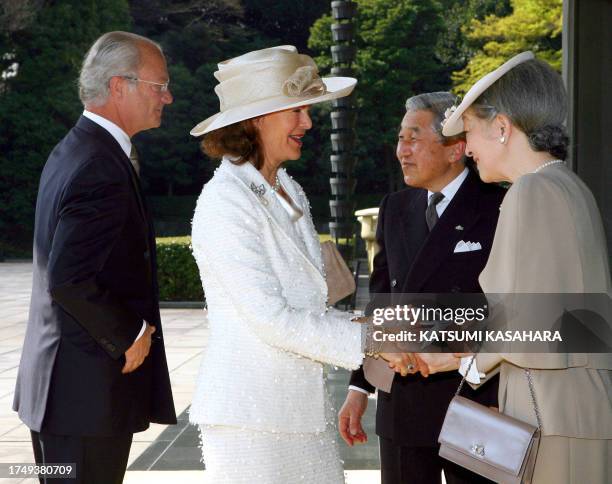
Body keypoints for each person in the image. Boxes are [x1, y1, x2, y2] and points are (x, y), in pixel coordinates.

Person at [188, 45, 401, 484]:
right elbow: (272, 319)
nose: (307, 122)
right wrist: (372, 337)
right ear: (256, 119)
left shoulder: (288, 188)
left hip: (301, 414)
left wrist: (370, 328)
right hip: (250, 419)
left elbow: (309, 307)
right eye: (297, 110)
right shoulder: (225, 201)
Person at [429, 51, 612, 483]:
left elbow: (533, 316)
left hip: (554, 418)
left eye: (470, 131)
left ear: (502, 127)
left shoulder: (533, 191)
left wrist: (469, 362)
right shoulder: (563, 184)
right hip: (567, 413)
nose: (466, 148)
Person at [13, 31, 177, 484]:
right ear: (119, 86)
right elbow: (68, 278)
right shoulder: (98, 164)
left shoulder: (79, 148)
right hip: (82, 400)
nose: (168, 96)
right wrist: (131, 332)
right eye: (158, 85)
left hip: (65, 396)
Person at [338, 92, 505, 484]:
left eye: (413, 138)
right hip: (404, 400)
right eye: (399, 139)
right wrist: (359, 386)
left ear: (455, 149)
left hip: (476, 401)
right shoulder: (395, 207)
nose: (401, 151)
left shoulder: (501, 206)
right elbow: (380, 302)